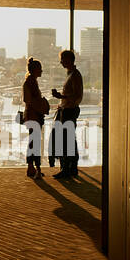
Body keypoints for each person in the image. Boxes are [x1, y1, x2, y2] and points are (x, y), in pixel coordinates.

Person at [50, 49, 83, 178]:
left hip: (69, 111)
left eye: (62, 59)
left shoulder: (74, 75)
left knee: (66, 141)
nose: (61, 62)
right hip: (67, 110)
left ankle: (67, 169)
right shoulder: (71, 74)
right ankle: (71, 168)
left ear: (69, 60)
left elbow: (77, 95)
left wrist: (60, 96)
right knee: (68, 140)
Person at [21, 57, 50, 178]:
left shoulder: (30, 81)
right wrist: (41, 104)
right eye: (40, 69)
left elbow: (28, 100)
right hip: (34, 117)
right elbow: (29, 100)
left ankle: (31, 167)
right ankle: (36, 168)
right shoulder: (31, 82)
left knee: (33, 142)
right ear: (35, 70)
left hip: (31, 116)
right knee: (35, 143)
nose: (42, 71)